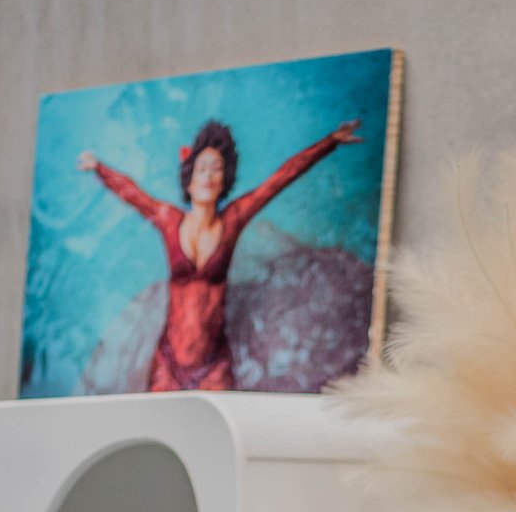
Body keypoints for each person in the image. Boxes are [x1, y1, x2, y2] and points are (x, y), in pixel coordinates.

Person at [79, 117, 360, 391]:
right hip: (169, 362)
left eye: (216, 169)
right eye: (202, 169)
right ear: (189, 179)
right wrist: (98, 168)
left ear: (224, 180)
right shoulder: (169, 220)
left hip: (213, 367)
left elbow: (279, 179)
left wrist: (330, 142)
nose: (208, 176)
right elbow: (132, 193)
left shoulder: (232, 221)